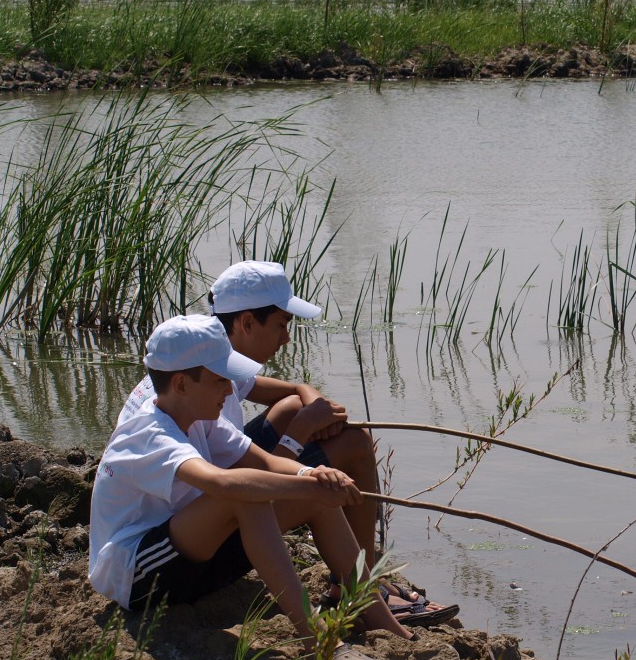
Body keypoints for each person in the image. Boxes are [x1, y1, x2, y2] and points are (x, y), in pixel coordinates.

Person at [116, 260, 456, 627]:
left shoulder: (204, 363)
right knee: (301, 487)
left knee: (346, 438)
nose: (286, 338)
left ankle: (357, 582)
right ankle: (355, 596)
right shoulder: (195, 382)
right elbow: (230, 486)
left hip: (209, 497)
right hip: (189, 528)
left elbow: (293, 395)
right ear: (247, 323)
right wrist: (302, 454)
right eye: (281, 325)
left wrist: (312, 414)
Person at [89, 314, 412, 660]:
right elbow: (222, 485)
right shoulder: (148, 432)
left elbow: (265, 461)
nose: (230, 390)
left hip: (192, 556)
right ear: (180, 383)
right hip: (140, 575)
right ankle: (319, 645)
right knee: (245, 496)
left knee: (314, 499)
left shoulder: (199, 416)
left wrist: (312, 477)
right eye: (220, 380)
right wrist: (303, 485)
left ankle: (385, 625)